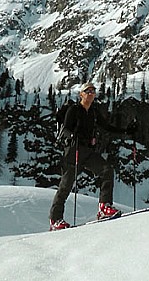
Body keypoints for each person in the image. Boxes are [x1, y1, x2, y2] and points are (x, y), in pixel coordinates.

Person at [49, 82, 135, 231]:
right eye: (87, 91)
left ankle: (104, 207)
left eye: (93, 91)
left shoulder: (93, 112)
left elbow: (107, 127)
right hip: (73, 151)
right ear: (81, 94)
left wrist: (126, 131)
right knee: (65, 186)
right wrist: (72, 136)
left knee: (107, 170)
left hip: (87, 152)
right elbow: (65, 129)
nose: (91, 93)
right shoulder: (74, 110)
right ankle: (55, 219)